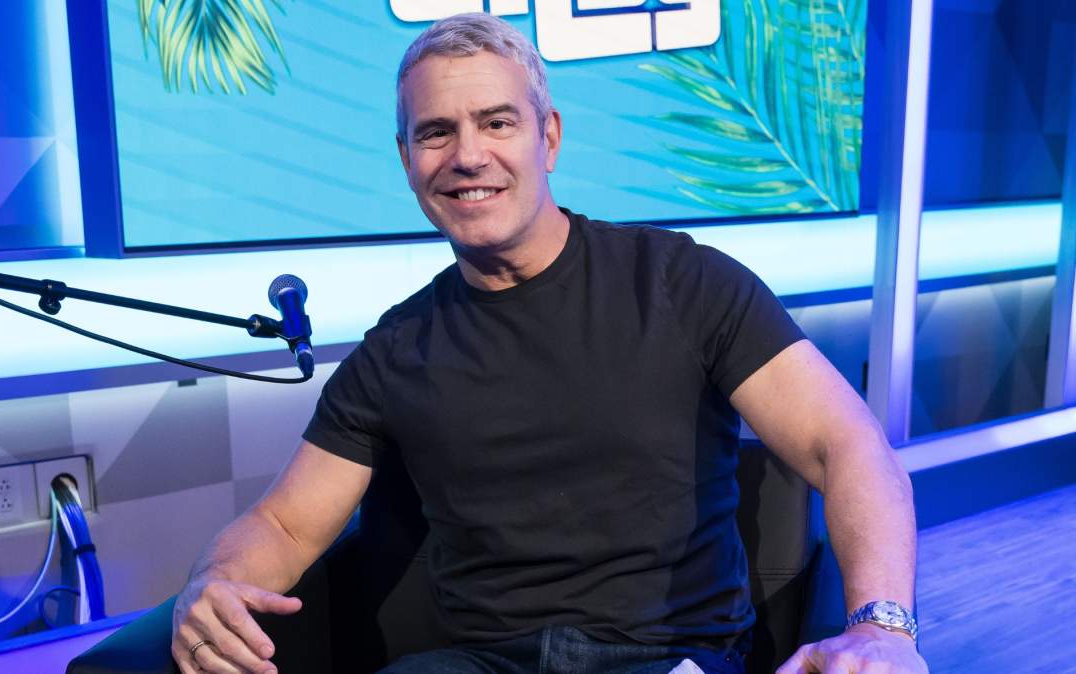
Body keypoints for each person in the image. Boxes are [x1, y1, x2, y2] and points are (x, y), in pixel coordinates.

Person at [170, 13, 928, 674]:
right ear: (407, 159)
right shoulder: (394, 349)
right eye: (436, 132)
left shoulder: (682, 281)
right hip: (477, 663)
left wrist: (882, 627)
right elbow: (284, 524)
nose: (468, 155)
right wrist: (214, 581)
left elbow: (845, 444)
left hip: (668, 657)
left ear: (549, 137)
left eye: (497, 123)